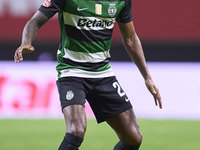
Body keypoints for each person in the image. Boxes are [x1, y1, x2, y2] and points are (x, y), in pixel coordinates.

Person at [14, 0, 162, 149]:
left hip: (102, 73)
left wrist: (147, 78)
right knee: (76, 130)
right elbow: (34, 21)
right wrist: (26, 42)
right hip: (71, 71)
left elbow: (130, 39)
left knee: (133, 137)